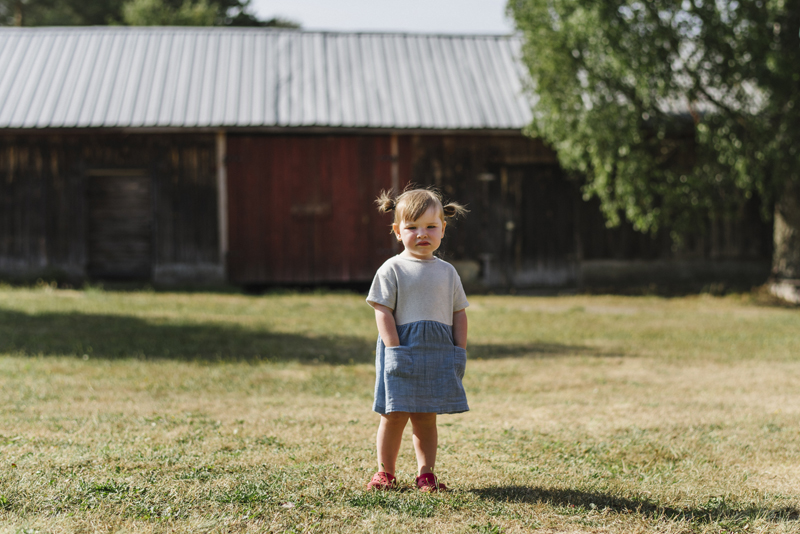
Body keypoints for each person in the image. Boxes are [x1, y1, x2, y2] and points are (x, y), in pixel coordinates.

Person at [365, 187, 469, 492]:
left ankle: (426, 474)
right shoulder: (392, 268)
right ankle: (386, 472)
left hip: (437, 349)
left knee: (426, 416)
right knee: (394, 415)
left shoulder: (448, 273)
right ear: (397, 231)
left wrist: (458, 349)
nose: (422, 234)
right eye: (412, 228)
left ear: (443, 229)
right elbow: (382, 309)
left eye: (430, 227)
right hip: (402, 347)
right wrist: (394, 348)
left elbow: (459, 312)